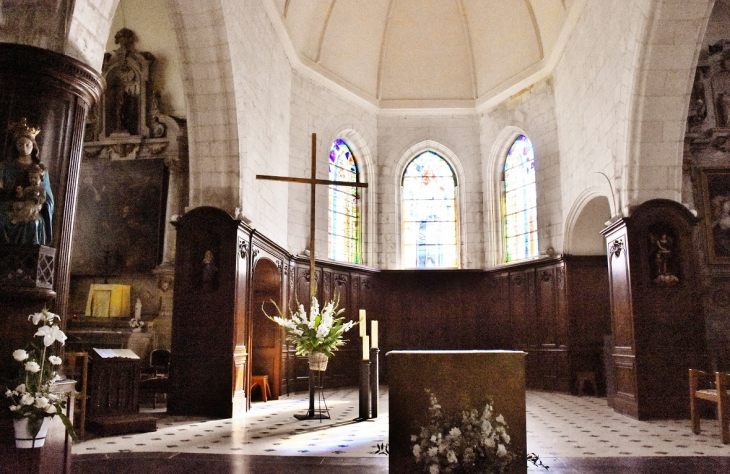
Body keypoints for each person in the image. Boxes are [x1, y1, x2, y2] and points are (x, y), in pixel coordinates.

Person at [0, 118, 54, 245]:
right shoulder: (5, 167)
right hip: (9, 205)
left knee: (33, 223)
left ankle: (28, 258)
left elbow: (48, 196)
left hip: (32, 207)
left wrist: (40, 204)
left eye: (27, 144)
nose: (24, 148)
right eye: (20, 144)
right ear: (15, 146)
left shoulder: (40, 169)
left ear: (33, 146)